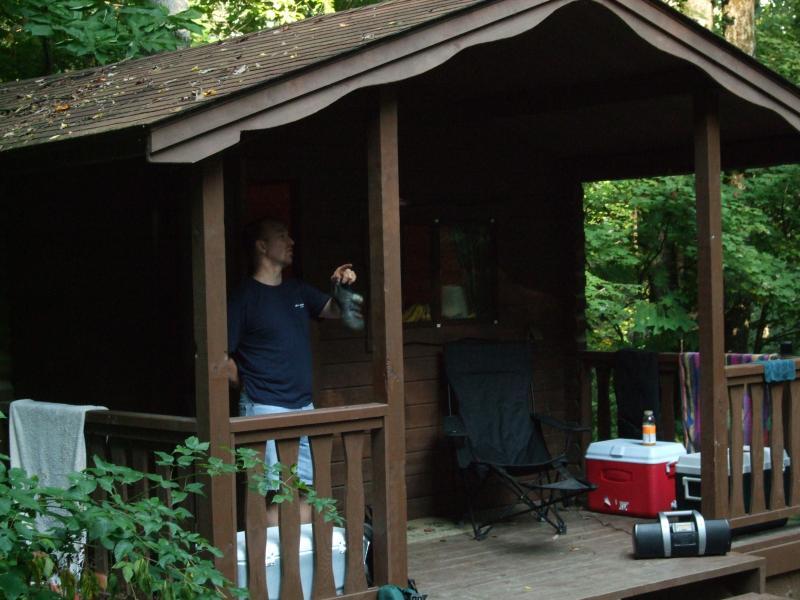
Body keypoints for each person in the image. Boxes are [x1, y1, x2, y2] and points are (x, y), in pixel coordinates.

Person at [226, 217, 359, 496]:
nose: (291, 242)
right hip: (264, 408)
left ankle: (302, 543)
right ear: (262, 246)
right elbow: (220, 357)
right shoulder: (243, 298)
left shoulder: (296, 289)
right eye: (282, 235)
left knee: (305, 490)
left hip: (303, 407)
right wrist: (247, 385)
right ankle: (278, 542)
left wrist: (341, 286)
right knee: (275, 494)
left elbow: (334, 311)